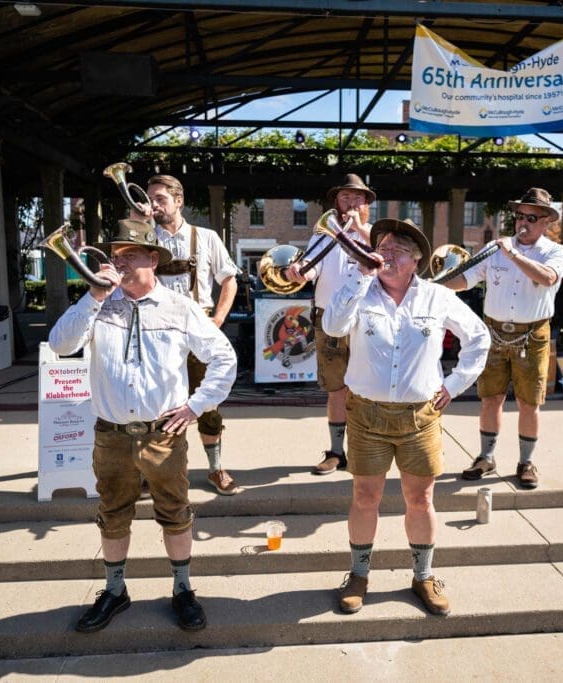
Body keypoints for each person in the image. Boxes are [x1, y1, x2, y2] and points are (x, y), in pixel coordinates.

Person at [49, 219, 237, 634]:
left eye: (129, 254)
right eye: (116, 256)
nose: (119, 262)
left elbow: (224, 358)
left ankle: (183, 590)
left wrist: (195, 407)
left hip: (163, 434)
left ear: (153, 258)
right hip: (111, 435)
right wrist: (95, 295)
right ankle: (115, 591)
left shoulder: (180, 306)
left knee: (175, 512)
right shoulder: (98, 302)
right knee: (112, 514)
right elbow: (61, 345)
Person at [322, 218, 489, 617]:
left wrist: (455, 384)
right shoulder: (361, 290)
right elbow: (332, 325)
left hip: (420, 416)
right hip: (366, 415)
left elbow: (479, 337)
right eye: (382, 245)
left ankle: (424, 576)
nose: (387, 252)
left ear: (416, 260)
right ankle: (359, 575)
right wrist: (361, 275)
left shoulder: (436, 297)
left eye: (398, 249)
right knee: (365, 497)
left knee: (421, 498)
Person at [444, 188, 563, 490]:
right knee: (490, 399)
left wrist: (511, 253)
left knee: (528, 403)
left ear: (546, 222)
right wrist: (438, 283)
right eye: (520, 215)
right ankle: (486, 457)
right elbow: (467, 279)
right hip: (494, 332)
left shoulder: (554, 251)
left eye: (532, 217)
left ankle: (526, 462)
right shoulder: (494, 248)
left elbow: (547, 278)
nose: (523, 222)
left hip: (532, 334)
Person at [134, 174, 241, 496]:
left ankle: (215, 468)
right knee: (150, 404)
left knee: (207, 404)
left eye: (160, 199)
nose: (154, 205)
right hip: (154, 336)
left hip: (197, 335)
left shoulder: (206, 237)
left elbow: (229, 279)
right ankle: (149, 471)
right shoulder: (143, 238)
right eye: (150, 199)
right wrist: (139, 225)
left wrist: (218, 319)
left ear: (178, 201)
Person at [283, 173, 374, 475]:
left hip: (367, 318)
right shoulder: (323, 234)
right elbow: (311, 267)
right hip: (329, 316)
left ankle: (365, 449)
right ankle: (337, 452)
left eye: (357, 197)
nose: (350, 202)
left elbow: (384, 263)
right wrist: (298, 271)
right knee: (336, 388)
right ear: (336, 201)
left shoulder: (376, 234)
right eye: (345, 197)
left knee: (367, 388)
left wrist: (361, 231)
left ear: (366, 204)